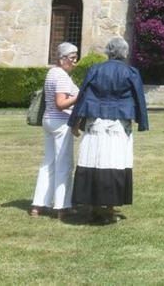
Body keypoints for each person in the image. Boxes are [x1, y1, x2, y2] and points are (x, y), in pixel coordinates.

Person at [68, 36, 149, 224]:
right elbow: (139, 97)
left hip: (95, 122)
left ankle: (93, 208)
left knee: (94, 161)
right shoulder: (131, 72)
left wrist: (75, 123)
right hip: (118, 124)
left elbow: (83, 95)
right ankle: (109, 209)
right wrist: (142, 121)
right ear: (125, 52)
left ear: (108, 51)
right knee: (114, 163)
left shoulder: (95, 69)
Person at [30, 42, 80, 218]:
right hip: (60, 122)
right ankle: (62, 206)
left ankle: (39, 204)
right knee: (64, 164)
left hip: (48, 120)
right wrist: (79, 96)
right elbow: (61, 103)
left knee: (48, 163)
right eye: (72, 58)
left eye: (76, 58)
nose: (75, 62)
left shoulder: (51, 73)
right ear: (62, 59)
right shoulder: (62, 76)